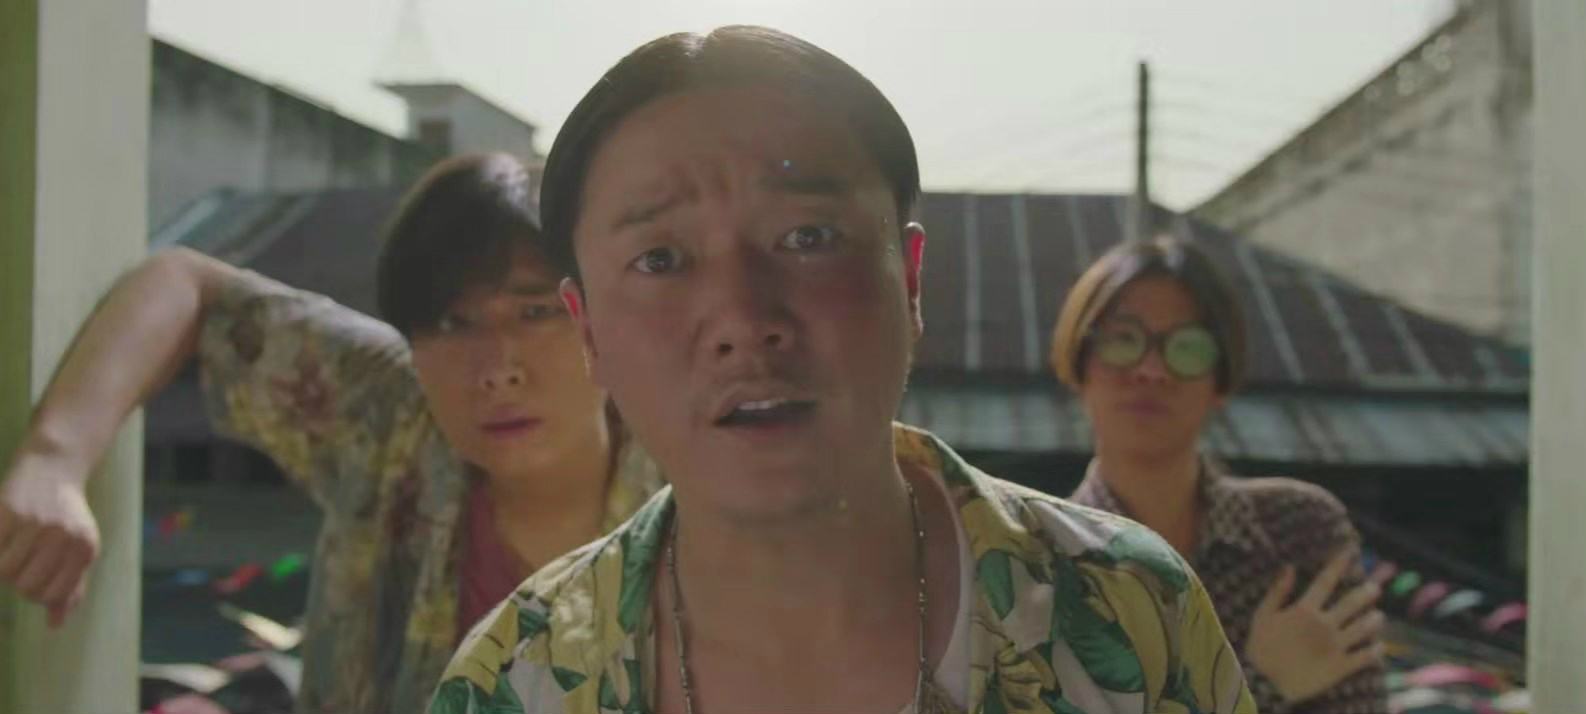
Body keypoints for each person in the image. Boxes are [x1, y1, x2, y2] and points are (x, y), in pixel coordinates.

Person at [430, 27, 1255, 714]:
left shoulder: (1128, 610)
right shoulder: (515, 680)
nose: (744, 320)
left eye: (808, 238)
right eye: (660, 259)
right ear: (589, 332)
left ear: (910, 281)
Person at [0, 153, 660, 713]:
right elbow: (184, 284)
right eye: (453, 324)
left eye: (536, 312)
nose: (498, 368)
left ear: (597, 316)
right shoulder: (393, 414)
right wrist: (56, 460)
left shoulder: (686, 474)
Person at [1057, 236, 1387, 713]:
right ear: (1079, 363)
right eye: (1123, 340)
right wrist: (1264, 684)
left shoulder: (1298, 530)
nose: (1151, 370)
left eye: (1187, 348)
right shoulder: (1044, 563)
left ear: (1222, 379)